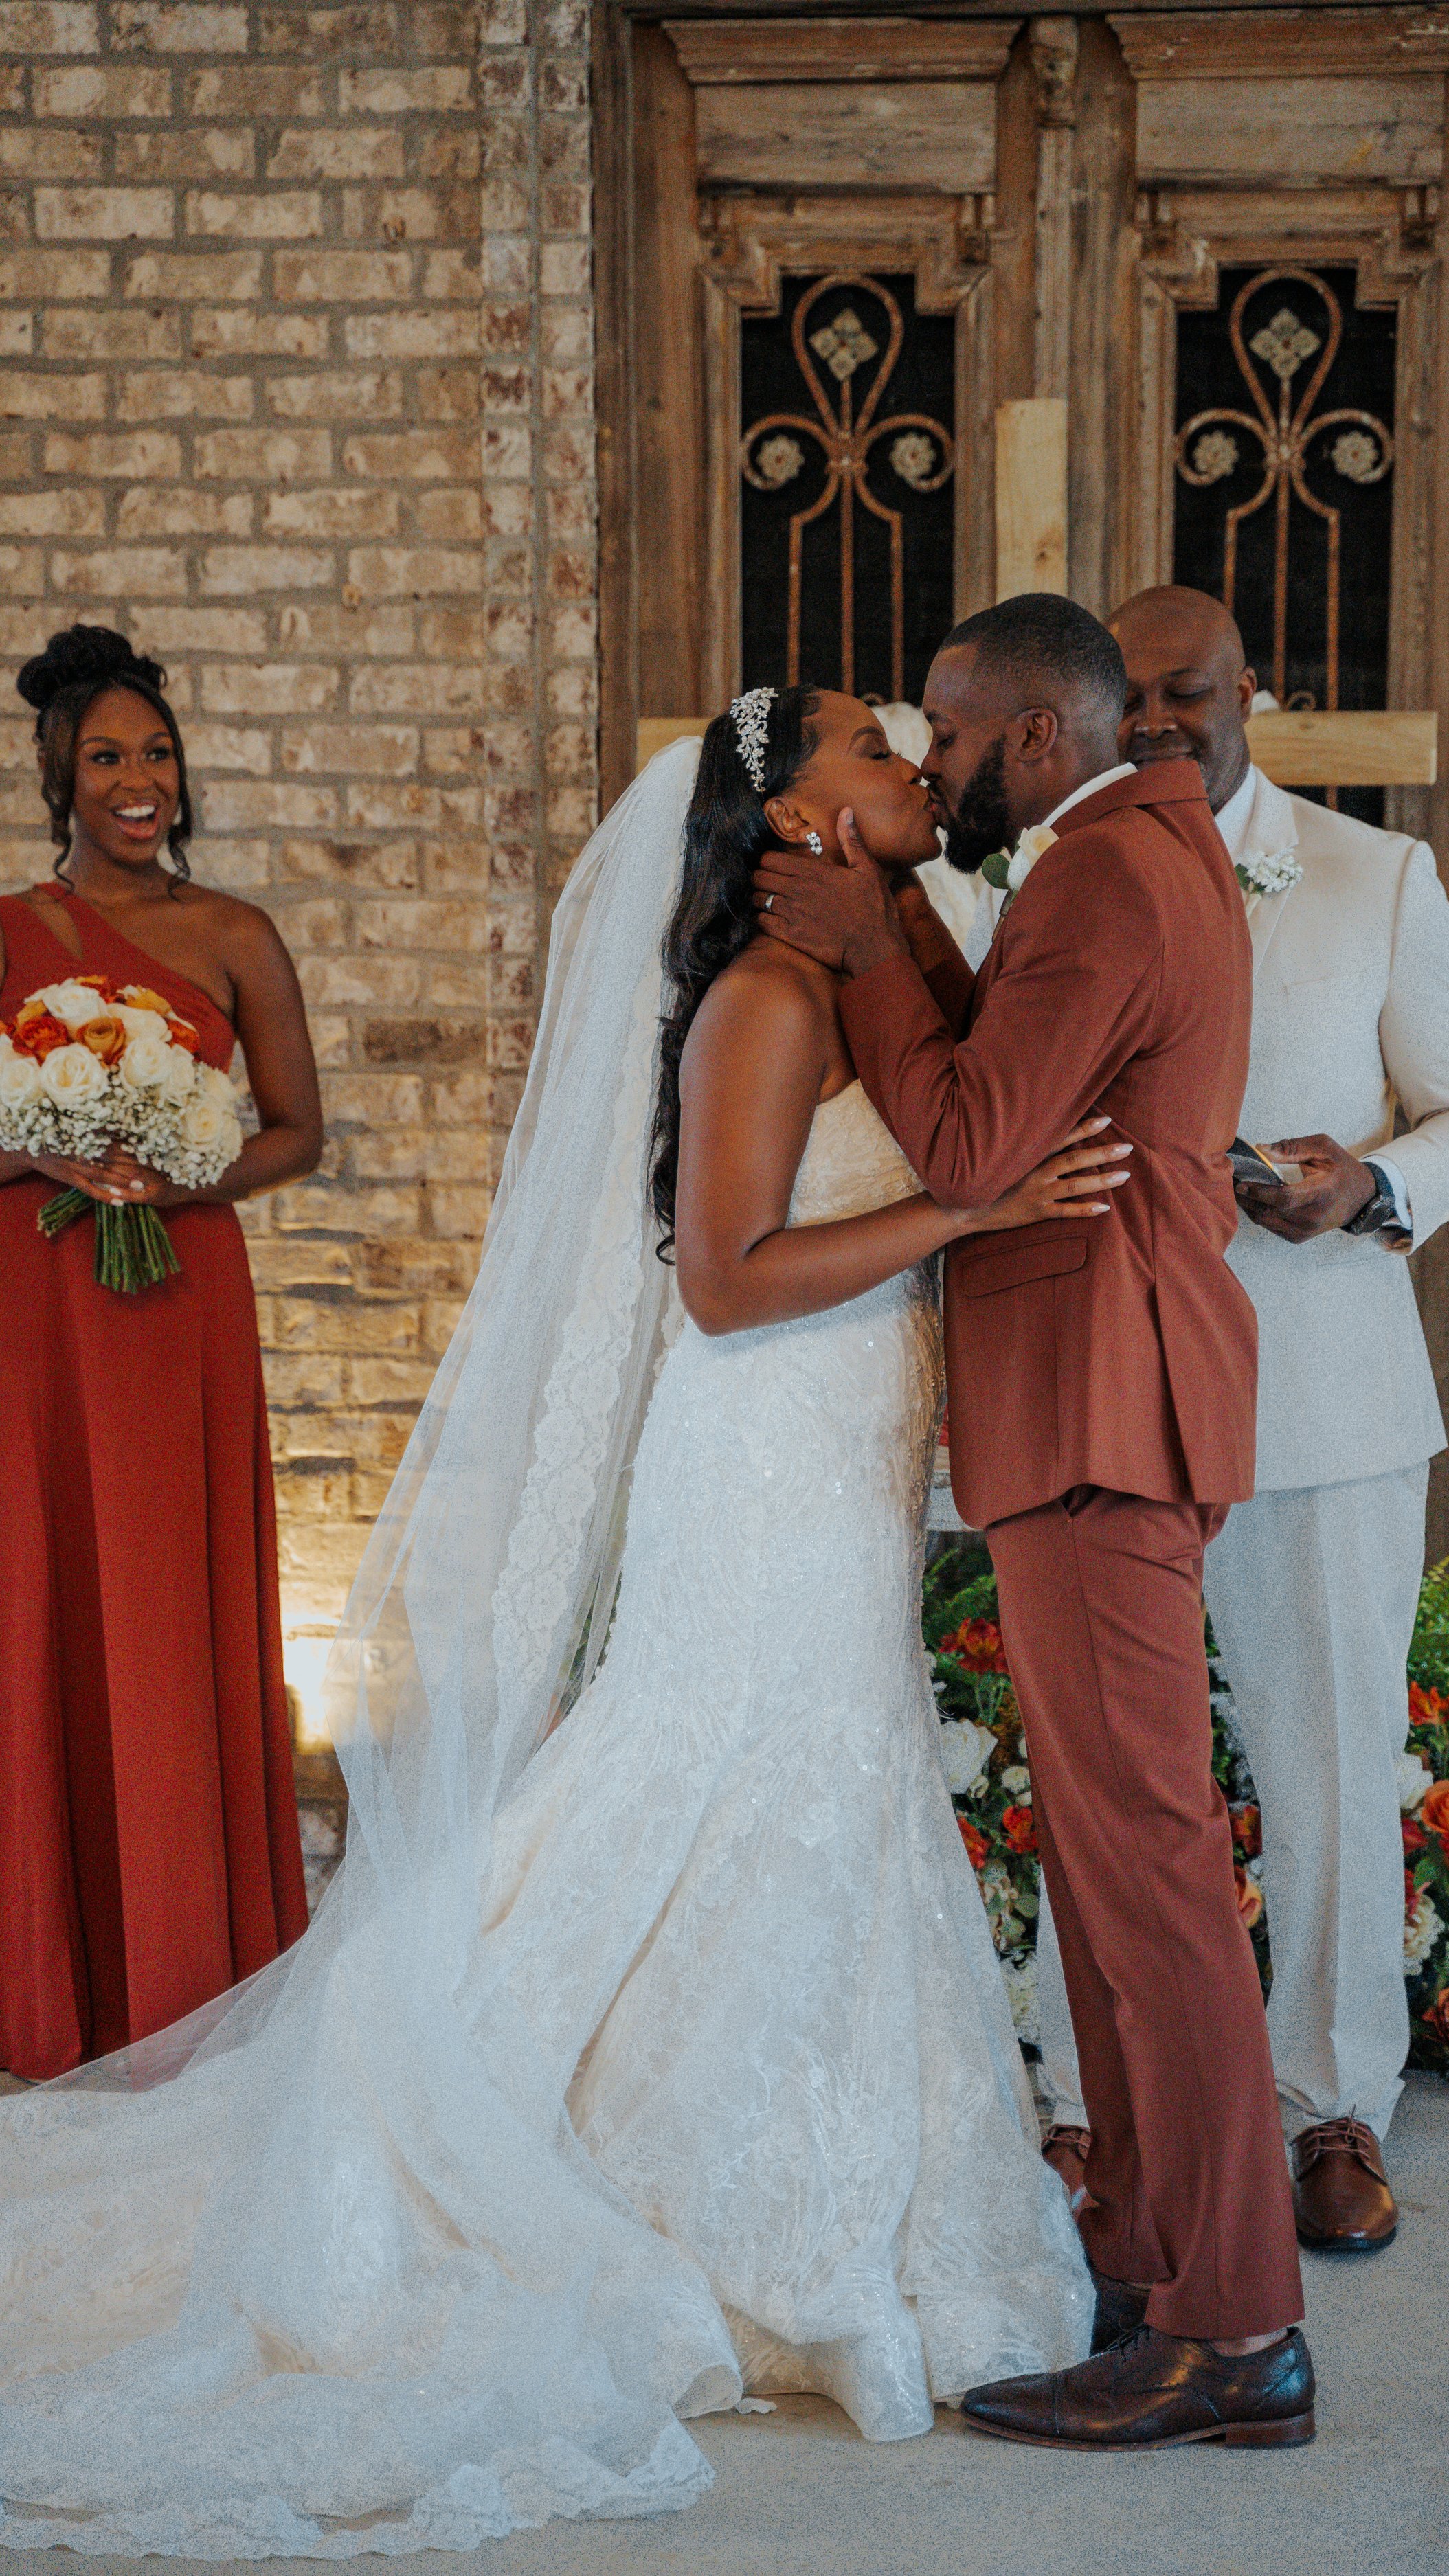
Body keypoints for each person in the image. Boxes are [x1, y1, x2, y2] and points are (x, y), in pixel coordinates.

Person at [0, 690, 1111, 2555]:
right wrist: (964, 1204)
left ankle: (820, 2192)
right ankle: (624, 2178)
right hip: (756, 1456)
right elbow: (732, 1283)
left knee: (815, 1797)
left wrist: (967, 1197)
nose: (905, 745)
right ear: (791, 819)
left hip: (835, 1454)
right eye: (857, 740)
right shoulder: (762, 1000)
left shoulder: (863, 973)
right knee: (723, 1773)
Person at [753, 594, 1312, 2454]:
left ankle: (1239, 2325)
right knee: (1106, 1864)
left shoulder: (1097, 875)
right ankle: (1150, 2250)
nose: (929, 760)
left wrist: (851, 943)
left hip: (1102, 1397)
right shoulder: (1126, 859)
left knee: (1148, 1871)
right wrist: (899, 916)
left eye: (949, 728)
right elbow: (1015, 1072)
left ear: (1039, 740)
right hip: (1096, 1397)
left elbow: (976, 1142)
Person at [1032, 585, 1449, 2255]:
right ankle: (1084, 2100)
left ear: (1255, 690)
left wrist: (1373, 1180)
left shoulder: (1368, 876)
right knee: (1111, 1769)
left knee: (1327, 1759)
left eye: (1191, 696)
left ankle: (1331, 2111)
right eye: (1138, 701)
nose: (1163, 725)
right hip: (1114, 1387)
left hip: (1318, 1389)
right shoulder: (1045, 861)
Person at [1, 625, 322, 2082]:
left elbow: (296, 1129)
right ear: (59, 777)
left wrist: (181, 1179)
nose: (140, 781)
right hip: (40, 1304)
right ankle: (50, 1983)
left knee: (170, 1600)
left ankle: (193, 1968)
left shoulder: (237, 933)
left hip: (177, 1297)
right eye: (108, 758)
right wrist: (51, 1146)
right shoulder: (8, 931)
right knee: (49, 1595)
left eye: (158, 754)